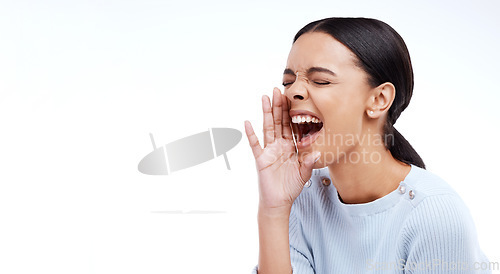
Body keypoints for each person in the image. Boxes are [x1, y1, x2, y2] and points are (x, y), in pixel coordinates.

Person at [244, 17, 491, 273]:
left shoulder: (434, 214)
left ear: (379, 99)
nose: (292, 92)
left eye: (320, 81)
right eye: (288, 81)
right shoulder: (302, 198)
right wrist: (273, 210)